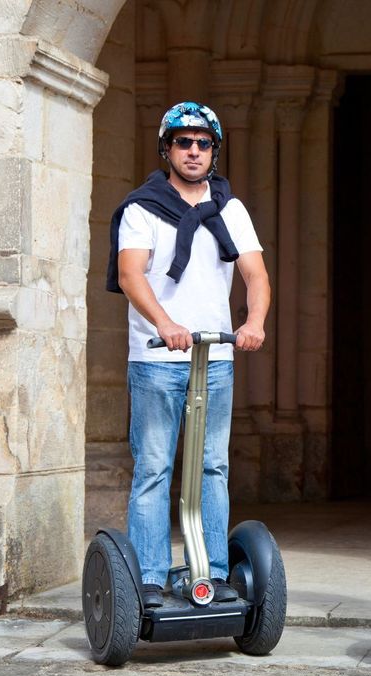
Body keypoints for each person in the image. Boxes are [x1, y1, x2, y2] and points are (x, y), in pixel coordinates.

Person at [107, 101, 271, 608]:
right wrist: (166, 324)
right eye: (184, 142)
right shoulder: (142, 208)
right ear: (167, 149)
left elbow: (256, 275)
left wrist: (254, 322)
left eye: (203, 143)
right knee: (155, 467)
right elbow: (131, 274)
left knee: (213, 468)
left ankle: (214, 571)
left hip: (214, 360)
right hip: (158, 360)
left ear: (214, 151)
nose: (194, 151)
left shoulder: (230, 208)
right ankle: (151, 580)